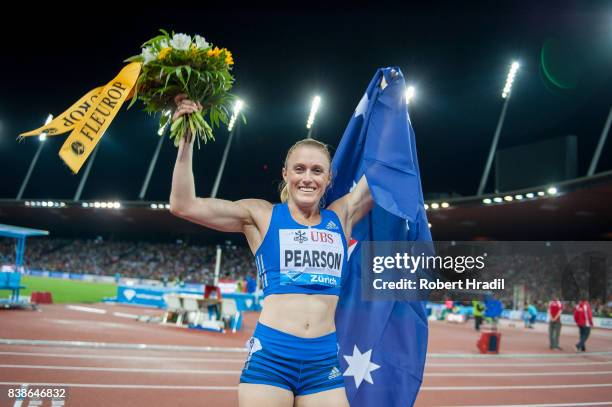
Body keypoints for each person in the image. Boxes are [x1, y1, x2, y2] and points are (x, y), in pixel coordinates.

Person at [169, 95, 373, 407]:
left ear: (329, 178)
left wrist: (390, 105)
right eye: (300, 169)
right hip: (271, 360)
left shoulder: (340, 215)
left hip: (323, 363)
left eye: (317, 171)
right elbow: (183, 205)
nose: (308, 178)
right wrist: (186, 139)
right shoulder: (262, 215)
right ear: (285, 174)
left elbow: (386, 166)